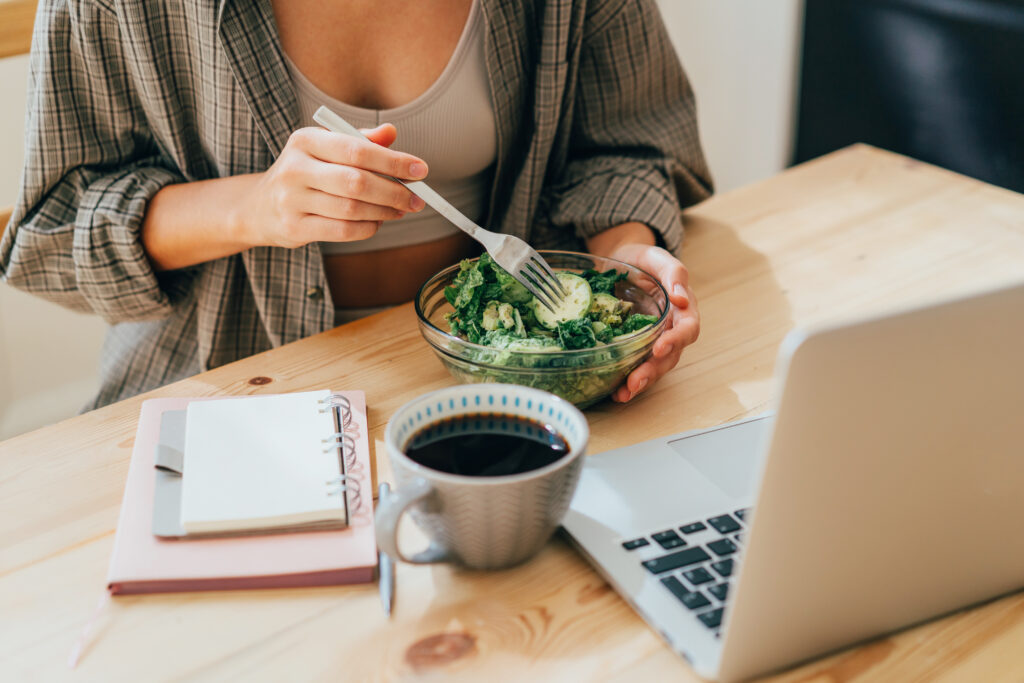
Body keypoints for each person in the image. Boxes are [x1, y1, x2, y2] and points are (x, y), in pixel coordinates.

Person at [0, 0, 712, 410]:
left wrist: (621, 267)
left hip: (512, 387)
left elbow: (628, 138)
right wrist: (253, 206)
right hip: (233, 394)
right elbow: (50, 237)